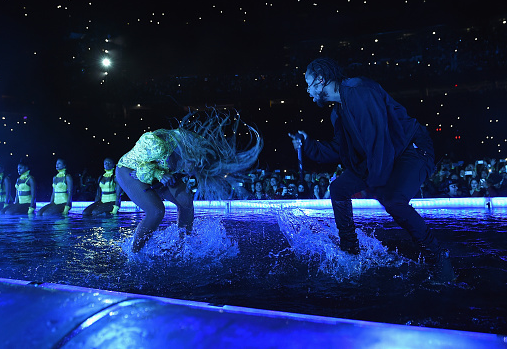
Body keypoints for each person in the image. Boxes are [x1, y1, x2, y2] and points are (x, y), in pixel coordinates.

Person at [289, 57, 453, 281]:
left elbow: (379, 141)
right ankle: (350, 251)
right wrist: (308, 143)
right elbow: (340, 150)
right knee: (339, 188)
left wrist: (375, 184)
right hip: (382, 157)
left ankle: (437, 257)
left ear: (320, 80)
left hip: (410, 150)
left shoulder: (358, 90)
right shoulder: (337, 112)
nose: (307, 91)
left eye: (308, 84)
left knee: (392, 199)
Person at [115, 109, 262, 252]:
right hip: (131, 170)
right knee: (157, 211)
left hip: (164, 170)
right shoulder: (157, 144)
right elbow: (140, 171)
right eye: (195, 166)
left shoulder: (199, 150)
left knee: (186, 202)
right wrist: (160, 175)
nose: (192, 172)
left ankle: (183, 246)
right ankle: (134, 254)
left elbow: (190, 169)